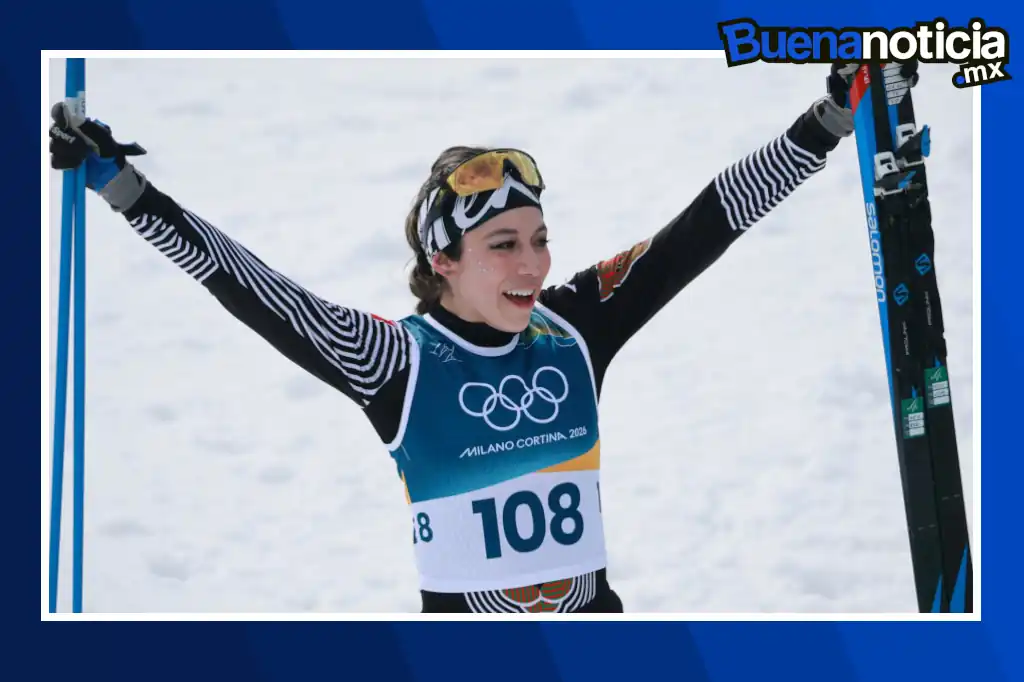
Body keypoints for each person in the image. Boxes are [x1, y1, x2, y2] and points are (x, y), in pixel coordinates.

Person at [49, 62, 870, 614]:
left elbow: (705, 224)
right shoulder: (394, 359)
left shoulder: (573, 328)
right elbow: (253, 288)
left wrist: (825, 122)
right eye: (503, 246)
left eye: (539, 239)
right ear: (442, 260)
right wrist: (127, 190)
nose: (532, 265)